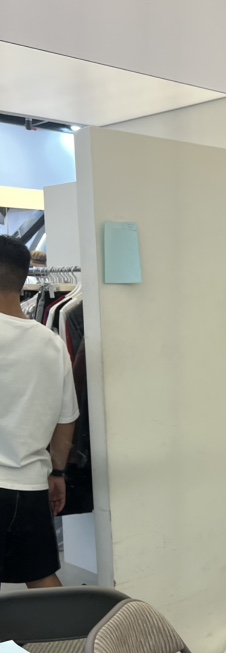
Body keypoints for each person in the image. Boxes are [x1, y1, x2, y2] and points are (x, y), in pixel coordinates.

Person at [0, 235, 78, 588]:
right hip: (29, 486)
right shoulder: (52, 344)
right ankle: (72, 629)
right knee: (42, 580)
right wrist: (57, 473)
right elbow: (66, 420)